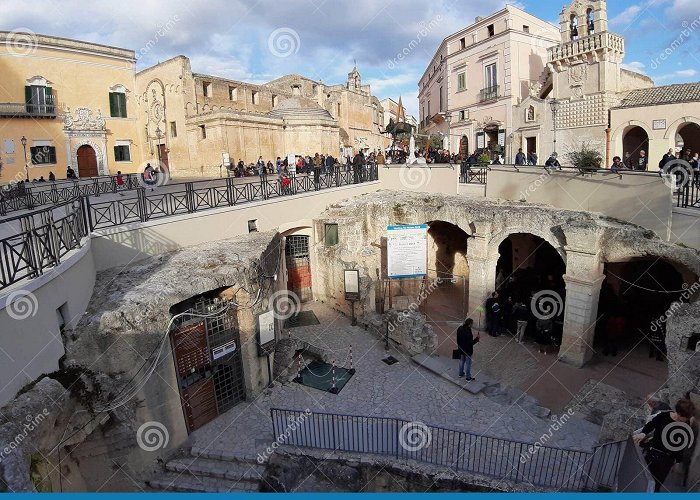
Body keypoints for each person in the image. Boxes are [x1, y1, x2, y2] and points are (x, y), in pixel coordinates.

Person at [633, 399, 696, 492]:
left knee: (656, 486)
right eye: (686, 417)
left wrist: (678, 461)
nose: (686, 419)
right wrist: (643, 434)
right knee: (645, 481)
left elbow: (680, 445)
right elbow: (651, 425)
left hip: (667, 461)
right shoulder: (664, 416)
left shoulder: (685, 425)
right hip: (653, 454)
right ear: (679, 413)